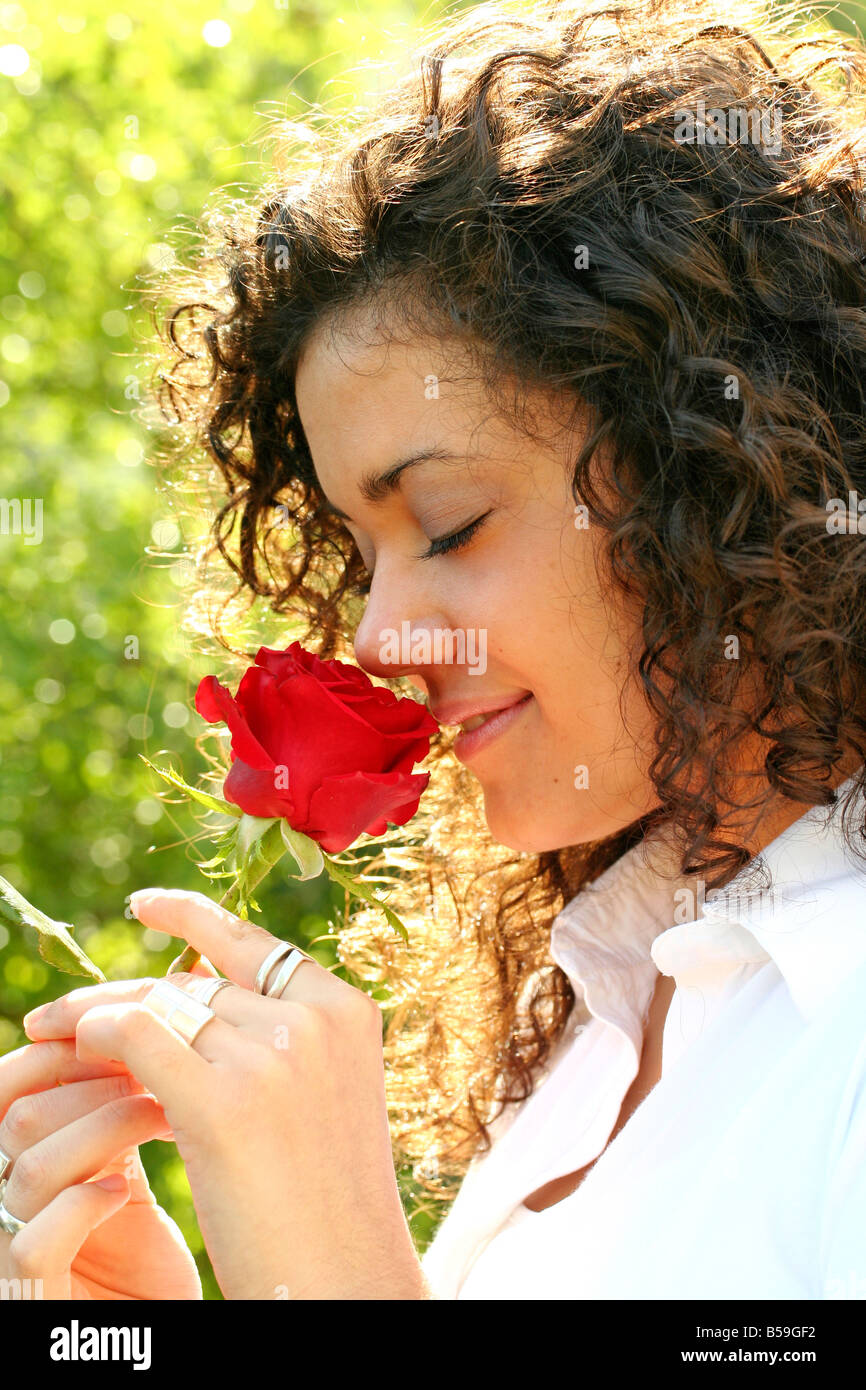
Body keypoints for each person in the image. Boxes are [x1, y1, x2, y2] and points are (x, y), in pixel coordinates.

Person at [2, 0, 866, 1298]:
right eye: (359, 548)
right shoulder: (621, 991)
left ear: (723, 481)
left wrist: (337, 1270)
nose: (374, 635)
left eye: (450, 523)